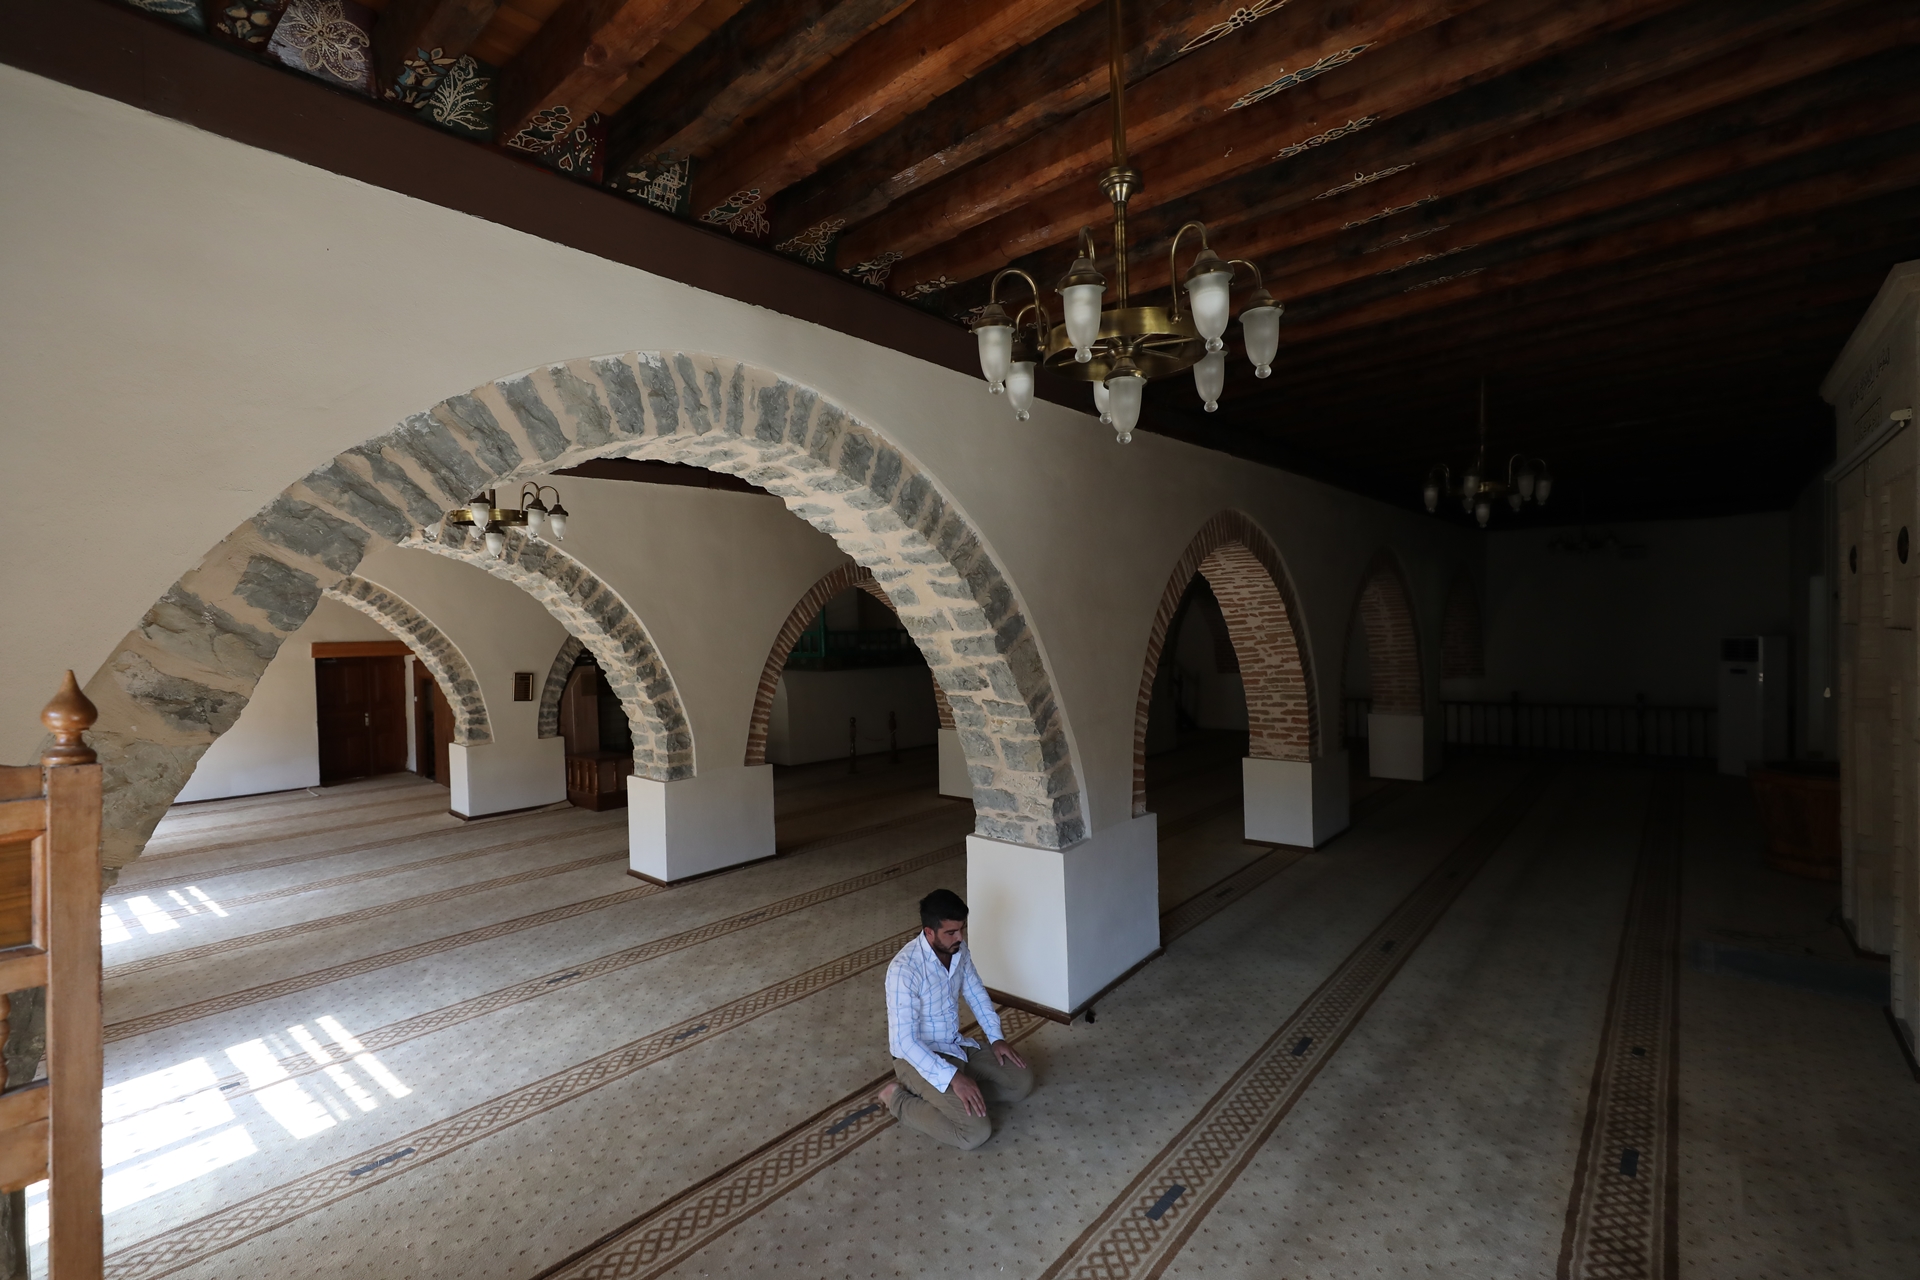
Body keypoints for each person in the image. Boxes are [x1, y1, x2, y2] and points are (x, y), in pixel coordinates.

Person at [880, 888, 1033, 1150]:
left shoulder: (958, 950)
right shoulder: (903, 970)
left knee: (1021, 1082)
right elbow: (905, 1042)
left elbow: (976, 993)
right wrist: (952, 1078)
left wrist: (996, 1038)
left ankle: (960, 1098)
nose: (959, 937)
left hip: (954, 1045)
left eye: (961, 929)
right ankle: (897, 1098)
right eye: (951, 932)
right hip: (916, 1059)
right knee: (974, 1133)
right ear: (929, 932)